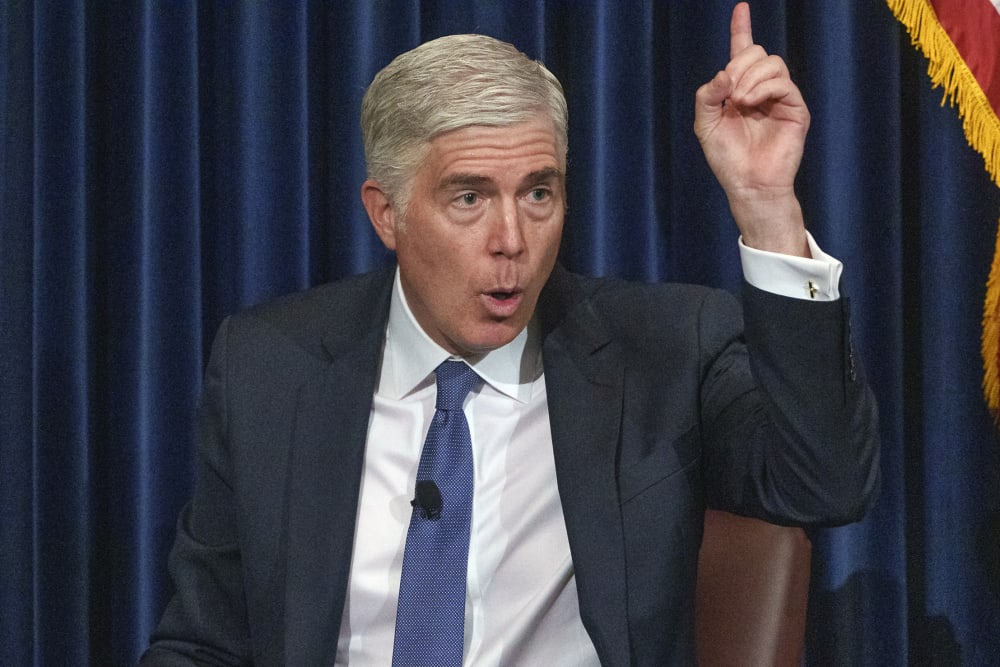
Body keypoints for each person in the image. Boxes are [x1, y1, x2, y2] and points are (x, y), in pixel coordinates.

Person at [142, 3, 879, 665]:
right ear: (387, 213)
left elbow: (825, 482)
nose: (512, 240)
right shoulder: (270, 368)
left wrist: (767, 208)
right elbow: (205, 643)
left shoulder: (664, 351)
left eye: (538, 193)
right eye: (469, 197)